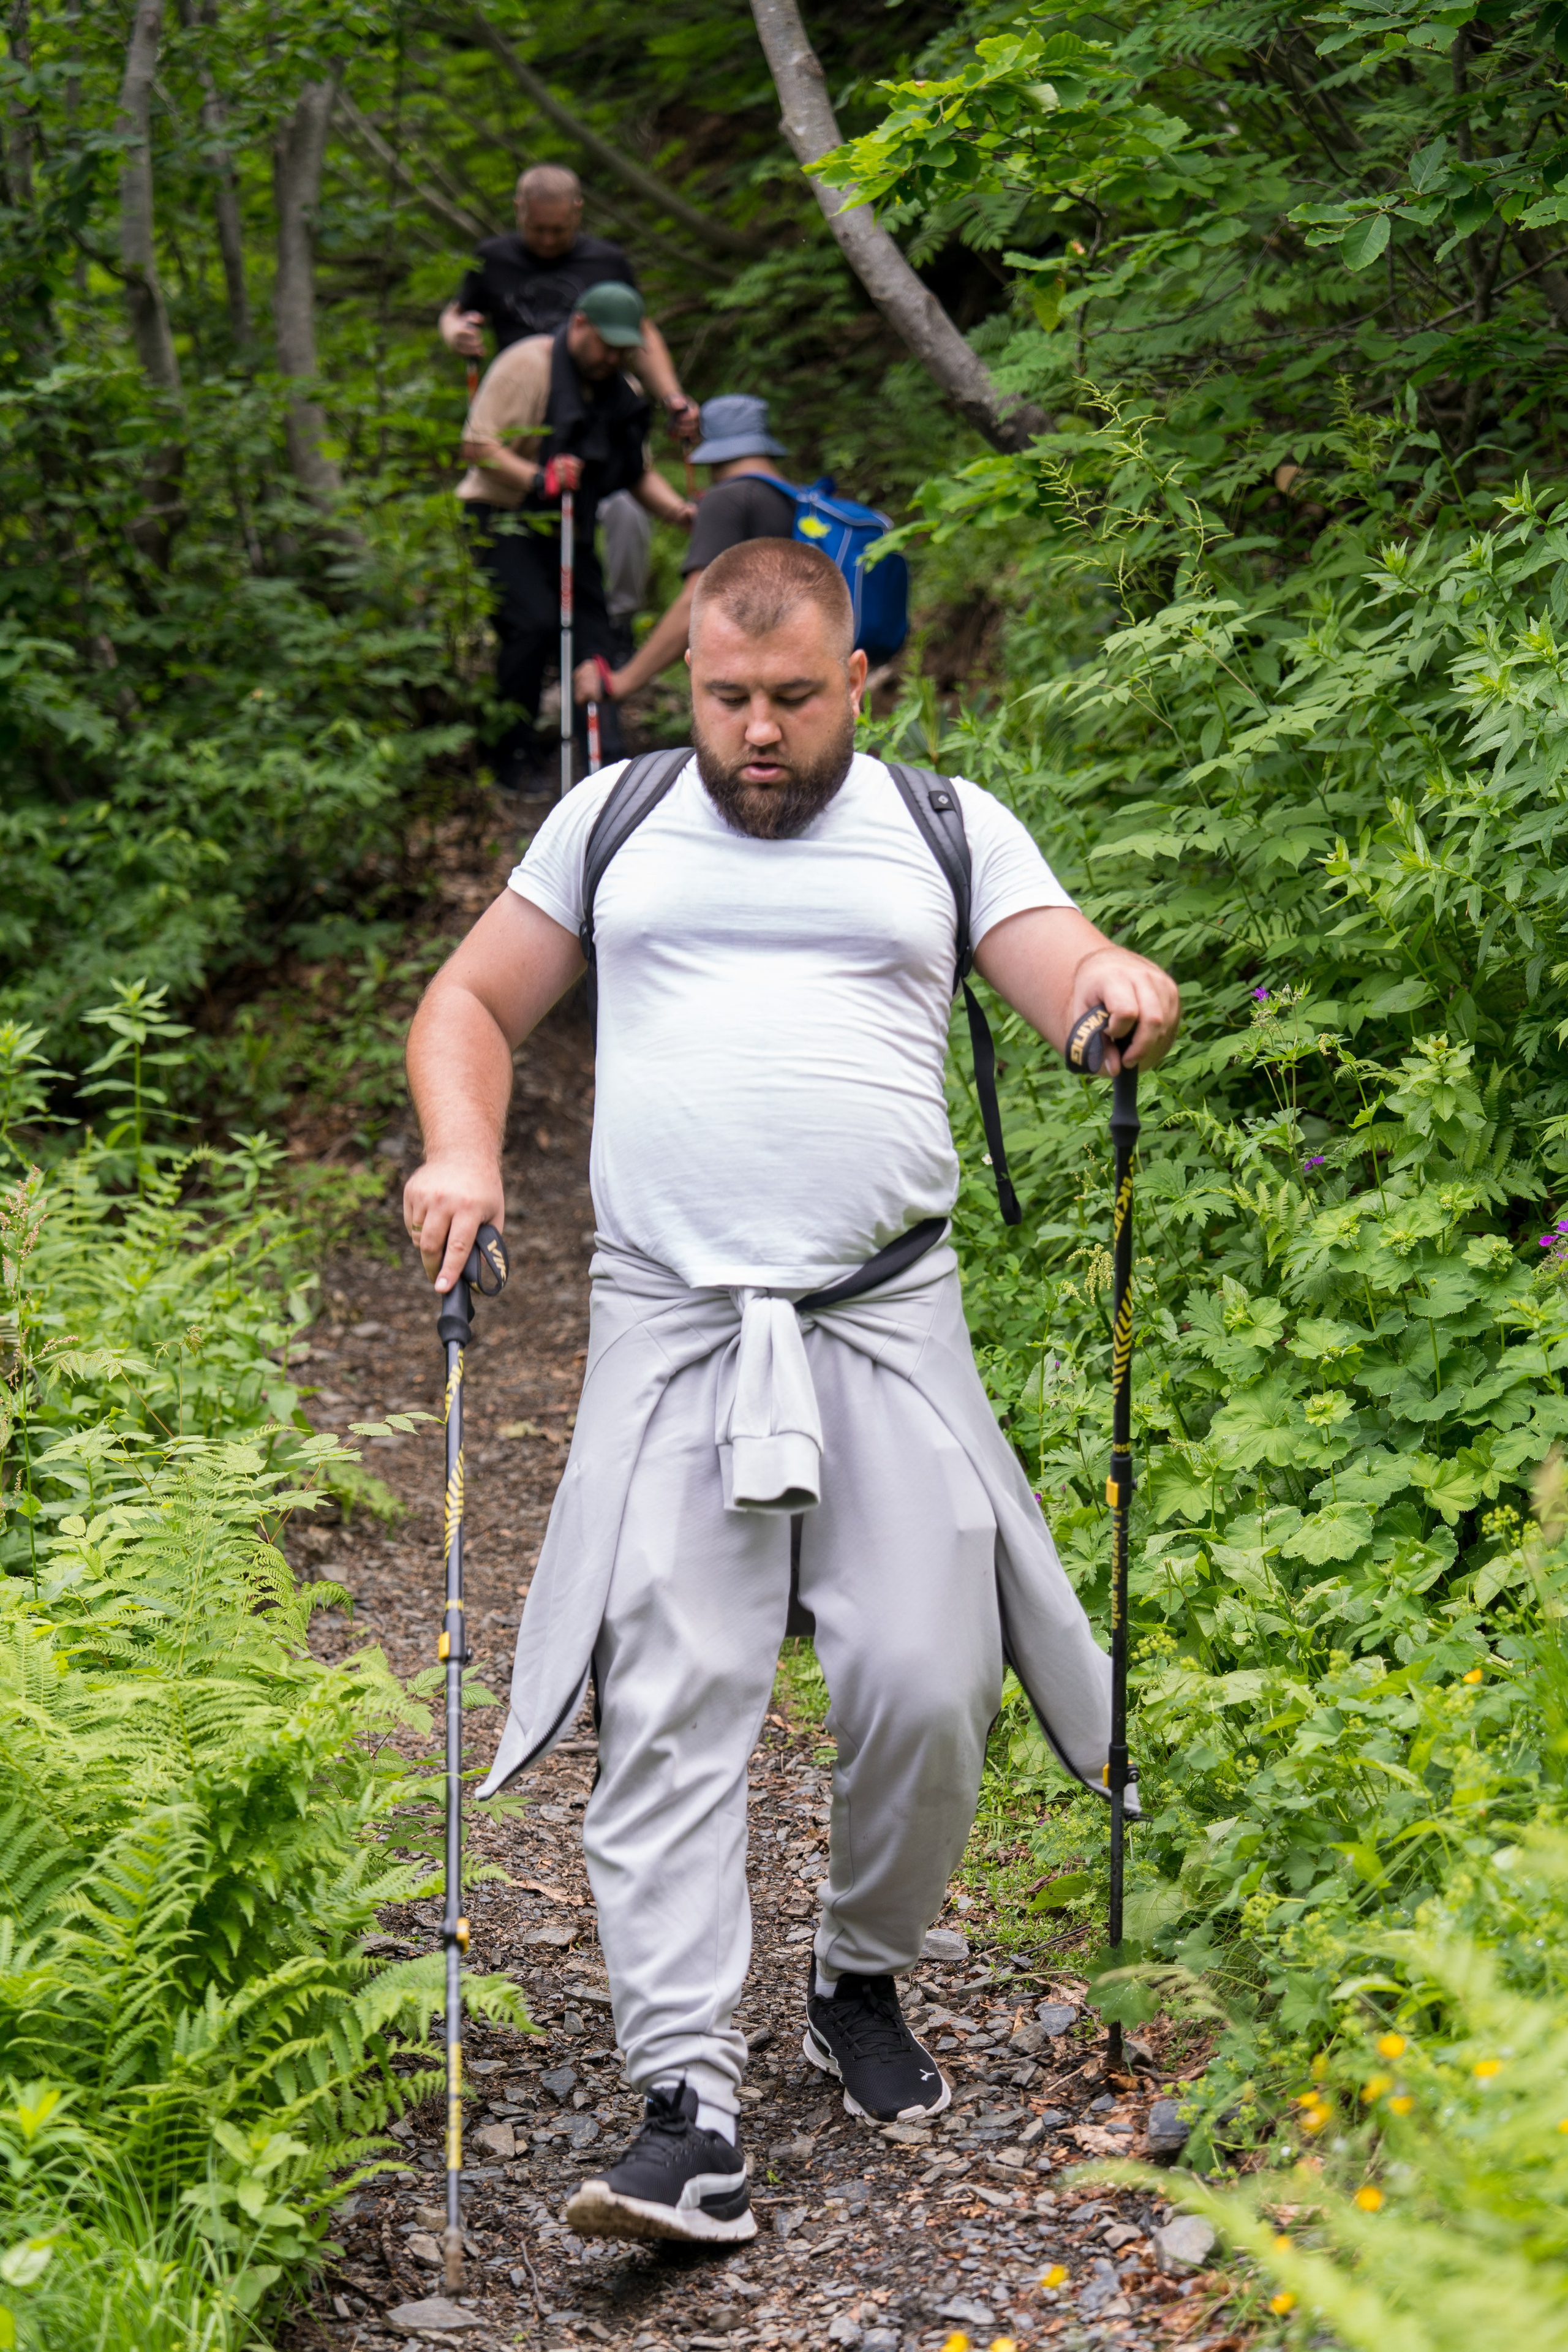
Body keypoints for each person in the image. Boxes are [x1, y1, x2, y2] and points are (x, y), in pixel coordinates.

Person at [403, 538, 1180, 2246]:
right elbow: (473, 998)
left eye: (792, 700)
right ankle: (688, 2105)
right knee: (676, 1689)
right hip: (673, 1317)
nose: (757, 733)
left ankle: (857, 1975)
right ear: (688, 683)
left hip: (887, 1313)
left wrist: (1117, 995)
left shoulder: (942, 825)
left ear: (859, 686)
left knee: (927, 1673)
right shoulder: (609, 821)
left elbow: (1068, 964)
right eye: (726, 698)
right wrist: (464, 1148)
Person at [442, 162, 697, 663]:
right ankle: (546, 639)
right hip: (524, 408)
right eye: (537, 228)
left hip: (596, 411)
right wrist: (454, 333)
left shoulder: (606, 262)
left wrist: (671, 396)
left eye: (559, 229)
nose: (548, 239)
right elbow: (458, 311)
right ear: (519, 211)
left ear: (578, 214)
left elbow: (637, 332)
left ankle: (614, 625)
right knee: (534, 583)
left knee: (623, 506)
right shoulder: (493, 258)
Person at [457, 279, 694, 790]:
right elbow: (478, 445)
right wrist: (537, 478)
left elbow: (635, 472)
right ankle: (511, 758)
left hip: (570, 525)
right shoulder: (528, 365)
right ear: (580, 324)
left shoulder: (622, 393)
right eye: (605, 344)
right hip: (503, 514)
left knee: (595, 636)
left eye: (622, 349)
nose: (612, 356)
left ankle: (606, 762)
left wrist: (679, 512)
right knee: (534, 625)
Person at [572, 392, 795, 713]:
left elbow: (696, 602)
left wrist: (622, 681)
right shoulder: (796, 500)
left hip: (759, 695)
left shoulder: (728, 500)